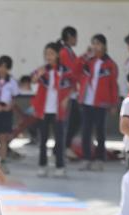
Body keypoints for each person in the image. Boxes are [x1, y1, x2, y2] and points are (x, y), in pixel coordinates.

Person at [78, 34, 119, 171]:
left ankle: (100, 159)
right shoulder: (88, 61)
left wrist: (114, 104)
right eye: (93, 44)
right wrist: (85, 55)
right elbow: (75, 69)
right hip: (87, 101)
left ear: (104, 46)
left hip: (101, 103)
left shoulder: (110, 64)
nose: (95, 47)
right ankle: (86, 158)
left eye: (98, 44)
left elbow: (113, 85)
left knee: (100, 131)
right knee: (86, 131)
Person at [33, 42, 74, 177]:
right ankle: (42, 165)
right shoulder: (43, 70)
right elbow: (33, 80)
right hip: (44, 110)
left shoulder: (65, 71)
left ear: (57, 55)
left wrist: (66, 98)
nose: (48, 57)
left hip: (58, 111)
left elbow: (73, 85)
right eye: (46, 54)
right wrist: (38, 75)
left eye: (51, 54)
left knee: (59, 140)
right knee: (43, 140)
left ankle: (60, 166)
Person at [57, 26, 82, 157]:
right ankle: (63, 147)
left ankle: (63, 146)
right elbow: (72, 71)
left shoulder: (69, 51)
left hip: (71, 91)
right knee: (71, 120)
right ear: (70, 37)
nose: (77, 39)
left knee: (74, 119)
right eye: (75, 37)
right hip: (66, 92)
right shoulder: (64, 52)